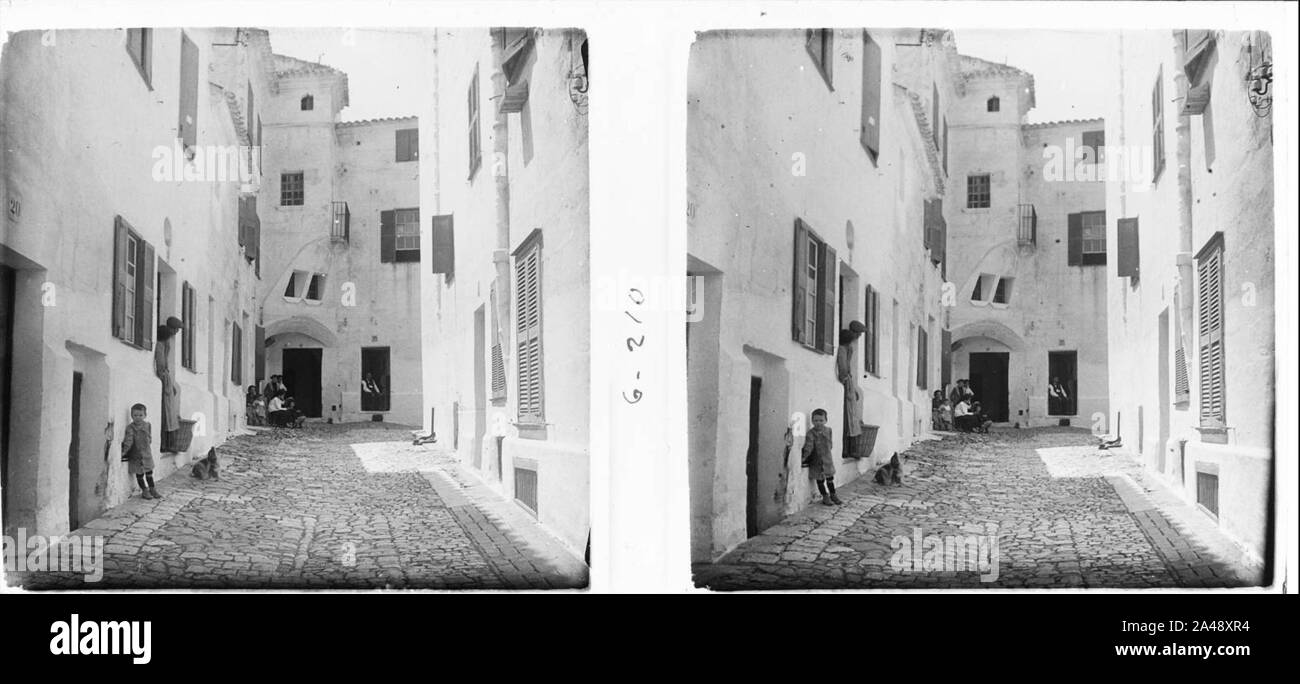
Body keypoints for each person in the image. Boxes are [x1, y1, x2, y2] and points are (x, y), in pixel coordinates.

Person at [836, 321, 867, 459]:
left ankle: (850, 448)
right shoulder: (843, 349)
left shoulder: (849, 348)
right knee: (847, 417)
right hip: (846, 383)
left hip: (849, 384)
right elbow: (844, 369)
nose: (859, 337)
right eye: (858, 334)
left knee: (852, 417)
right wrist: (848, 383)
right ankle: (846, 449)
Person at [121, 403, 162, 500]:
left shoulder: (148, 425)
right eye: (135, 415)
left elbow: (149, 436)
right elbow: (128, 441)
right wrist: (124, 451)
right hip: (136, 455)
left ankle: (152, 489)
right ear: (131, 416)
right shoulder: (130, 428)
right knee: (139, 475)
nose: (138, 418)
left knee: (149, 473)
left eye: (140, 415)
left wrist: (148, 442)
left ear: (145, 415)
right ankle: (144, 490)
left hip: (147, 454)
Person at [155, 316, 184, 453]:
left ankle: (167, 443)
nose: (177, 332)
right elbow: (161, 364)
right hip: (164, 377)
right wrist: (166, 380)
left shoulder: (167, 342)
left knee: (169, 413)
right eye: (176, 329)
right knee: (166, 413)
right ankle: (164, 444)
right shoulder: (162, 342)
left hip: (166, 378)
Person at [801, 408, 841, 506]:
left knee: (830, 478)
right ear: (812, 421)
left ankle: (833, 495)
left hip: (827, 459)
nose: (818, 423)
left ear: (826, 420)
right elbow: (808, 446)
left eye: (821, 420)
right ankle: (825, 497)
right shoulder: (811, 433)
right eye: (816, 420)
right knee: (820, 480)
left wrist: (827, 451)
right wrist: (804, 457)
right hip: (817, 460)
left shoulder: (828, 430)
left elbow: (830, 444)